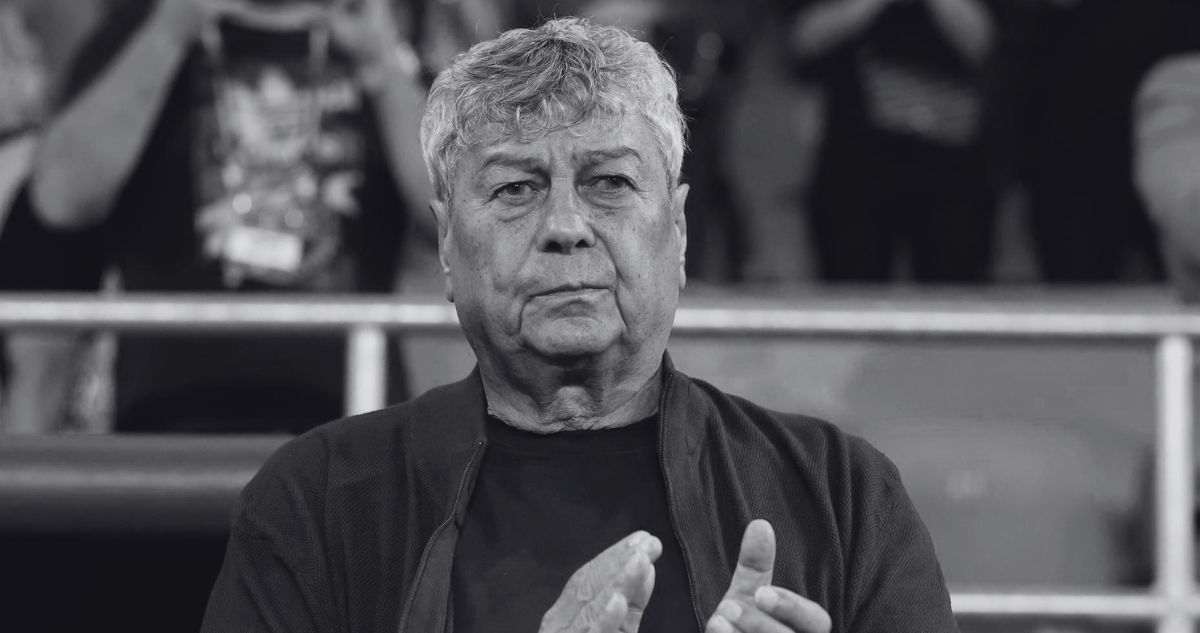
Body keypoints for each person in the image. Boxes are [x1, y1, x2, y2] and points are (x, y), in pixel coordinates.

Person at [200, 17, 956, 632]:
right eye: (515, 188)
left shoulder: (837, 495)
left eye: (610, 182)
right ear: (446, 243)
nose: (565, 226)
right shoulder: (321, 501)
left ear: (678, 231)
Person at [0, 0, 435, 433]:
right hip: (170, 424)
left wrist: (382, 64)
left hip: (351, 425)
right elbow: (60, 198)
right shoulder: (142, 35)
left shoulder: (378, 48)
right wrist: (168, 33)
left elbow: (450, 214)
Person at [783, 0, 998, 283]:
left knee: (954, 291)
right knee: (851, 290)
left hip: (952, 162)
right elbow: (801, 42)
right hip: (854, 161)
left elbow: (984, 45)